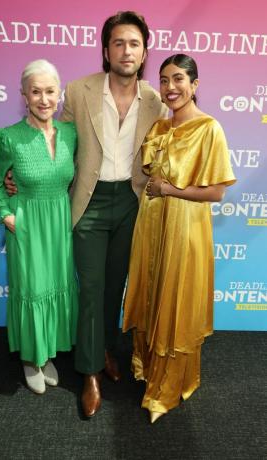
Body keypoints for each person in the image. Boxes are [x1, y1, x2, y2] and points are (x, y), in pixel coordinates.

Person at [5, 11, 166, 416]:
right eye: (117, 43)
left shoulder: (156, 100)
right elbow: (52, 142)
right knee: (92, 288)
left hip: (132, 203)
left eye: (133, 43)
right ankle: (90, 371)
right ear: (106, 50)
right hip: (89, 202)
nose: (125, 50)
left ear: (144, 50)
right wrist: (19, 178)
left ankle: (107, 350)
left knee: (116, 286)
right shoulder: (78, 91)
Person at [123, 54, 236, 423]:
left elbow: (217, 192)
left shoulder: (209, 129)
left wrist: (171, 189)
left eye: (178, 80)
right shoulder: (158, 127)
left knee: (174, 300)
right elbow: (144, 179)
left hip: (184, 226)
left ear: (195, 85)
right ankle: (147, 369)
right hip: (151, 225)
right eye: (164, 80)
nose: (171, 88)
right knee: (150, 292)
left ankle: (166, 389)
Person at [0, 59, 78, 395]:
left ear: (60, 94)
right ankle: (31, 359)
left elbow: (78, 177)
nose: (44, 99)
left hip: (59, 222)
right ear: (24, 95)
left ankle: (47, 352)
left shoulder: (71, 134)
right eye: (36, 92)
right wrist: (7, 215)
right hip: (25, 226)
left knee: (56, 287)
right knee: (31, 291)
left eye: (50, 91)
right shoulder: (9, 138)